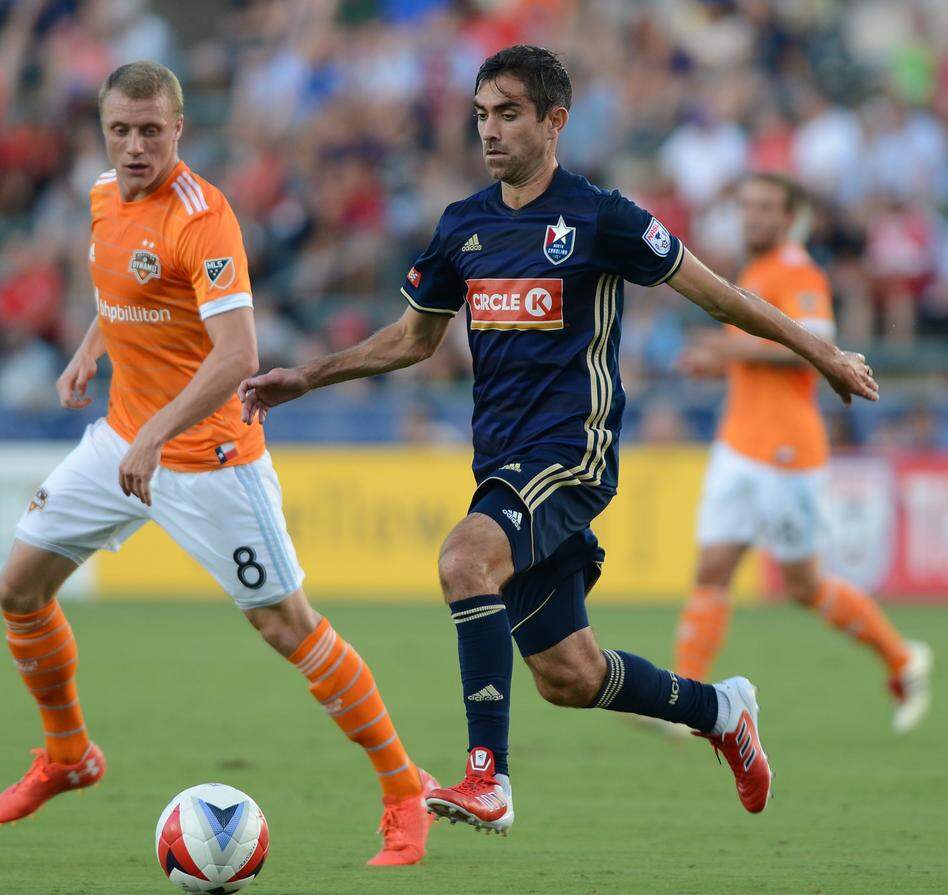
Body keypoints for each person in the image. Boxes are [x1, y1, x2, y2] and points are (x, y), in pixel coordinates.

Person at [239, 46, 879, 835]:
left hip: (570, 455)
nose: (490, 130)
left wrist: (824, 355)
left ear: (554, 120)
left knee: (462, 558)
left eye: (508, 113)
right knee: (569, 675)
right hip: (501, 462)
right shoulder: (462, 227)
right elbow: (412, 340)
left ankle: (489, 779)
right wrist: (308, 375)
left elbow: (721, 295)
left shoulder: (601, 217)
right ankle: (722, 709)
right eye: (480, 114)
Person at [0, 61, 437, 868]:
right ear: (103, 129)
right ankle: (69, 755)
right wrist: (93, 349)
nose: (134, 146)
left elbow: (238, 356)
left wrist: (155, 434)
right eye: (120, 130)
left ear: (179, 129)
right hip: (126, 437)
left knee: (285, 625)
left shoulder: (204, 217)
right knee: (18, 587)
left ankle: (404, 789)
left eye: (150, 130)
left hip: (210, 457)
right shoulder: (100, 197)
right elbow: (123, 290)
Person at [674, 172, 931, 734]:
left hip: (787, 450)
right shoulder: (753, 272)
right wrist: (728, 355)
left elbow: (813, 348)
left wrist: (725, 348)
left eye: (767, 207)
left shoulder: (799, 271)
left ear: (791, 218)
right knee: (713, 569)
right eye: (747, 206)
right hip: (738, 442)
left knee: (802, 584)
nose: (754, 217)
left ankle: (902, 659)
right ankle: (683, 700)